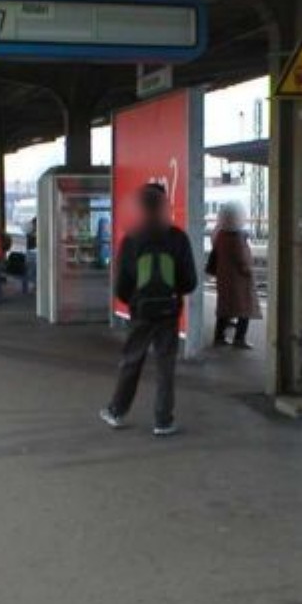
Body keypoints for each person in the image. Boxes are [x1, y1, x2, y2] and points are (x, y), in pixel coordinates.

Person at [100, 184, 198, 437]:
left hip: (141, 312)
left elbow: (122, 286)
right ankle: (163, 421)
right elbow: (190, 282)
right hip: (168, 312)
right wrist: (172, 293)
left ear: (142, 208)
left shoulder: (132, 240)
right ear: (165, 206)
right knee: (166, 365)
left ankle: (116, 411)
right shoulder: (177, 238)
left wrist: (135, 301)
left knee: (132, 360)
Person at [209, 204, 261, 349]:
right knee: (245, 310)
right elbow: (243, 261)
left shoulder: (220, 235)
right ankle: (239, 339)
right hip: (239, 282)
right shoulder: (238, 238)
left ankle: (219, 337)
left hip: (224, 279)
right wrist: (249, 271)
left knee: (224, 309)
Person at [23, 217, 38, 295]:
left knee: (31, 271)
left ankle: (34, 286)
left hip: (31, 253)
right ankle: (33, 286)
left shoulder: (29, 232)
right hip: (32, 253)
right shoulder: (32, 233)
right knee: (31, 271)